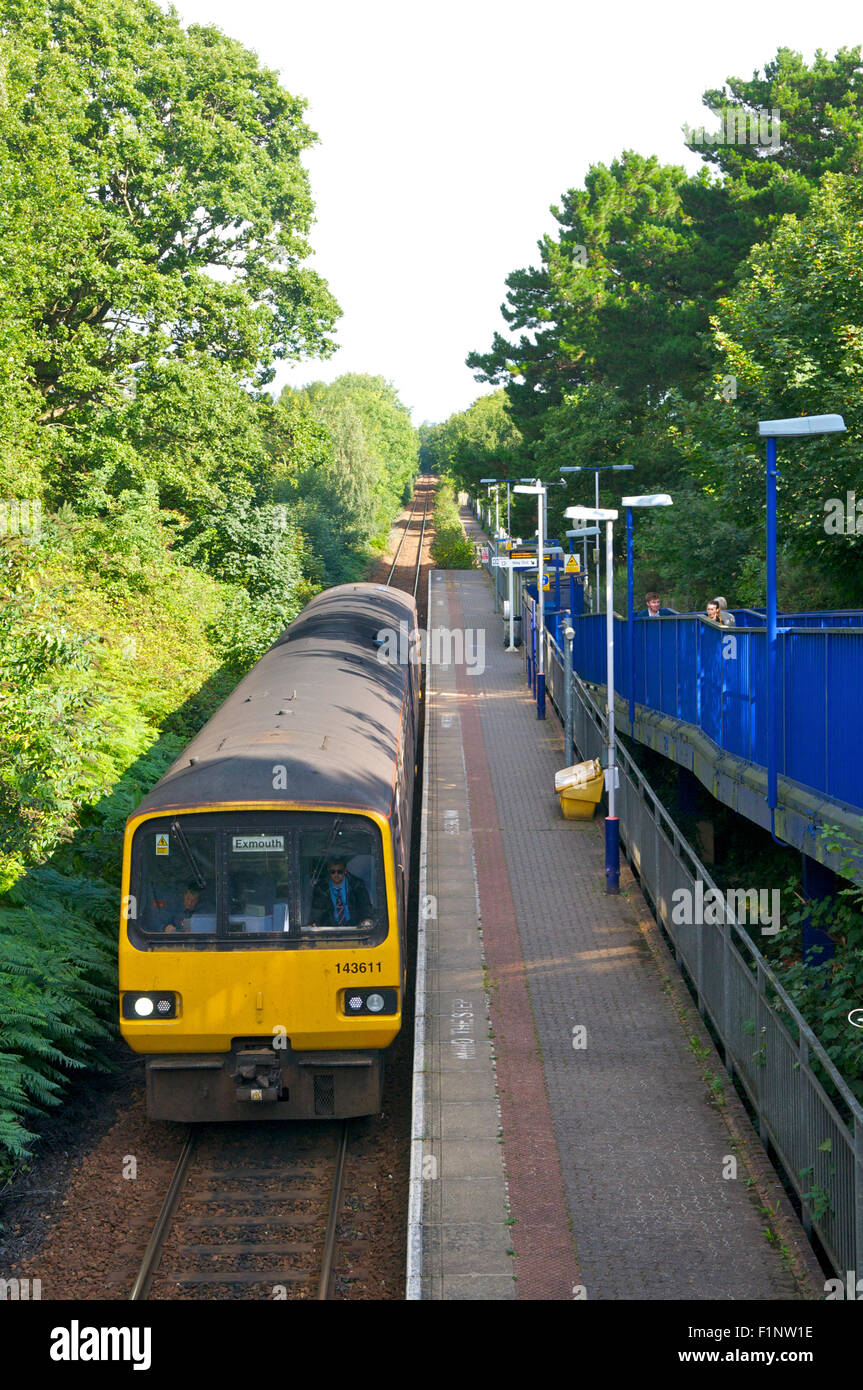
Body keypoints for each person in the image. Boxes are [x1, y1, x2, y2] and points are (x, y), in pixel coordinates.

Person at [310, 858, 373, 926]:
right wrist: (314, 923)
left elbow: (364, 905)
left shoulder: (357, 885)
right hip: (330, 929)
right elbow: (317, 910)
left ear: (345, 871)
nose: (336, 875)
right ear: (329, 872)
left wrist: (367, 918)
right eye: (332, 872)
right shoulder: (321, 888)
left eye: (339, 871)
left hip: (355, 927)